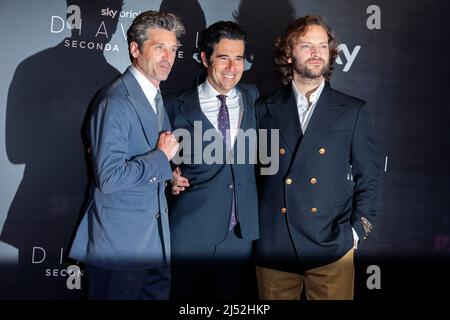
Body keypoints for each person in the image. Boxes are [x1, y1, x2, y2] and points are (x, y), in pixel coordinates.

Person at [255, 15, 379, 300]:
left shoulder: (352, 110)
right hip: (276, 248)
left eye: (322, 46)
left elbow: (368, 177)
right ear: (288, 53)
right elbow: (249, 175)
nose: (316, 53)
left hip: (331, 248)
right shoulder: (263, 108)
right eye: (307, 45)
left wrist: (356, 233)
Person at [68, 11, 184, 300]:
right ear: (135, 49)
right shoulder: (116, 102)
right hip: (118, 248)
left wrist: (169, 175)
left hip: (154, 245)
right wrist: (160, 159)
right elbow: (109, 177)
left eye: (172, 50)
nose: (168, 57)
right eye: (159, 48)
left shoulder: (154, 97)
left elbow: (146, 159)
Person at [166, 21, 259, 300]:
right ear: (205, 58)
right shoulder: (172, 105)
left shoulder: (253, 97)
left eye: (238, 59)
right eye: (223, 57)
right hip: (190, 233)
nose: (232, 67)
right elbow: (151, 154)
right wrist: (168, 173)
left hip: (239, 236)